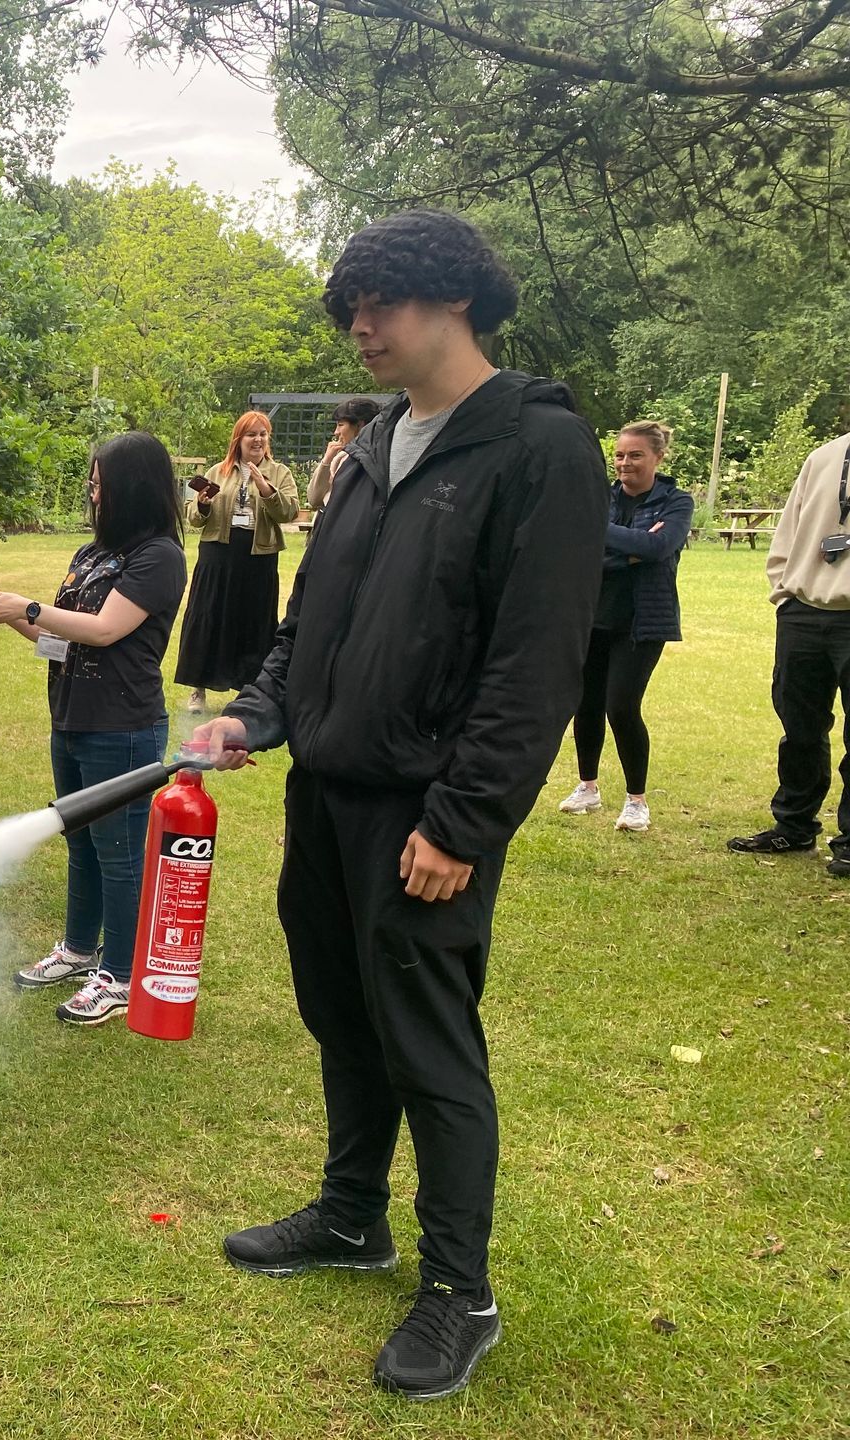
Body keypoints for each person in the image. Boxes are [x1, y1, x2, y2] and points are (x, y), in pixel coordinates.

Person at [190, 209, 606, 1400]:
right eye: (351, 309)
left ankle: (459, 1292)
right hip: (325, 795)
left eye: (382, 303)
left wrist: (463, 822)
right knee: (341, 1014)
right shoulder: (373, 448)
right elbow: (306, 625)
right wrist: (253, 716)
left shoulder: (539, 448)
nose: (360, 327)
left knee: (429, 1045)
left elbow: (535, 667)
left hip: (425, 816)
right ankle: (349, 1216)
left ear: (456, 298)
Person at [0, 432, 187, 1025]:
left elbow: (106, 630)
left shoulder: (159, 556)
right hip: (71, 718)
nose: (92, 492)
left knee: (119, 853)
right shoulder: (91, 554)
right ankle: (80, 949)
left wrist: (29, 606)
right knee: (81, 842)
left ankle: (121, 975)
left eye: (99, 483)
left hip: (123, 727)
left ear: (131, 487)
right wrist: (11, 617)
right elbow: (62, 642)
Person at [555, 420, 694, 832]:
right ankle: (588, 787)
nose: (624, 462)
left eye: (635, 455)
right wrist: (631, 551)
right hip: (592, 616)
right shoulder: (602, 497)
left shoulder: (676, 502)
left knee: (621, 706)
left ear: (658, 457)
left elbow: (658, 546)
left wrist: (602, 534)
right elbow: (577, 553)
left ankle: (636, 801)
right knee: (587, 703)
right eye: (619, 455)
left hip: (642, 621)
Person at [726, 425, 850, 877]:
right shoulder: (824, 456)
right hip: (804, 612)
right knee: (799, 726)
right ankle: (794, 825)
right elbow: (790, 528)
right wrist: (785, 592)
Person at [174, 411, 301, 714]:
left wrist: (266, 489)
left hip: (259, 557)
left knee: (253, 621)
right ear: (238, 439)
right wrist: (202, 505)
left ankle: (248, 690)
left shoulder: (279, 473)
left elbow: (289, 512)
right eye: (251, 434)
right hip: (218, 555)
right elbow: (193, 518)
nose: (258, 440)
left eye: (263, 434)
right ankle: (198, 688)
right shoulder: (218, 471)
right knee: (208, 616)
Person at [308, 396, 383, 514]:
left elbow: (315, 499)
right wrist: (326, 461)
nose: (336, 432)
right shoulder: (339, 456)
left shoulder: (356, 461)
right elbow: (313, 498)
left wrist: (328, 461)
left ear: (360, 425)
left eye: (340, 425)